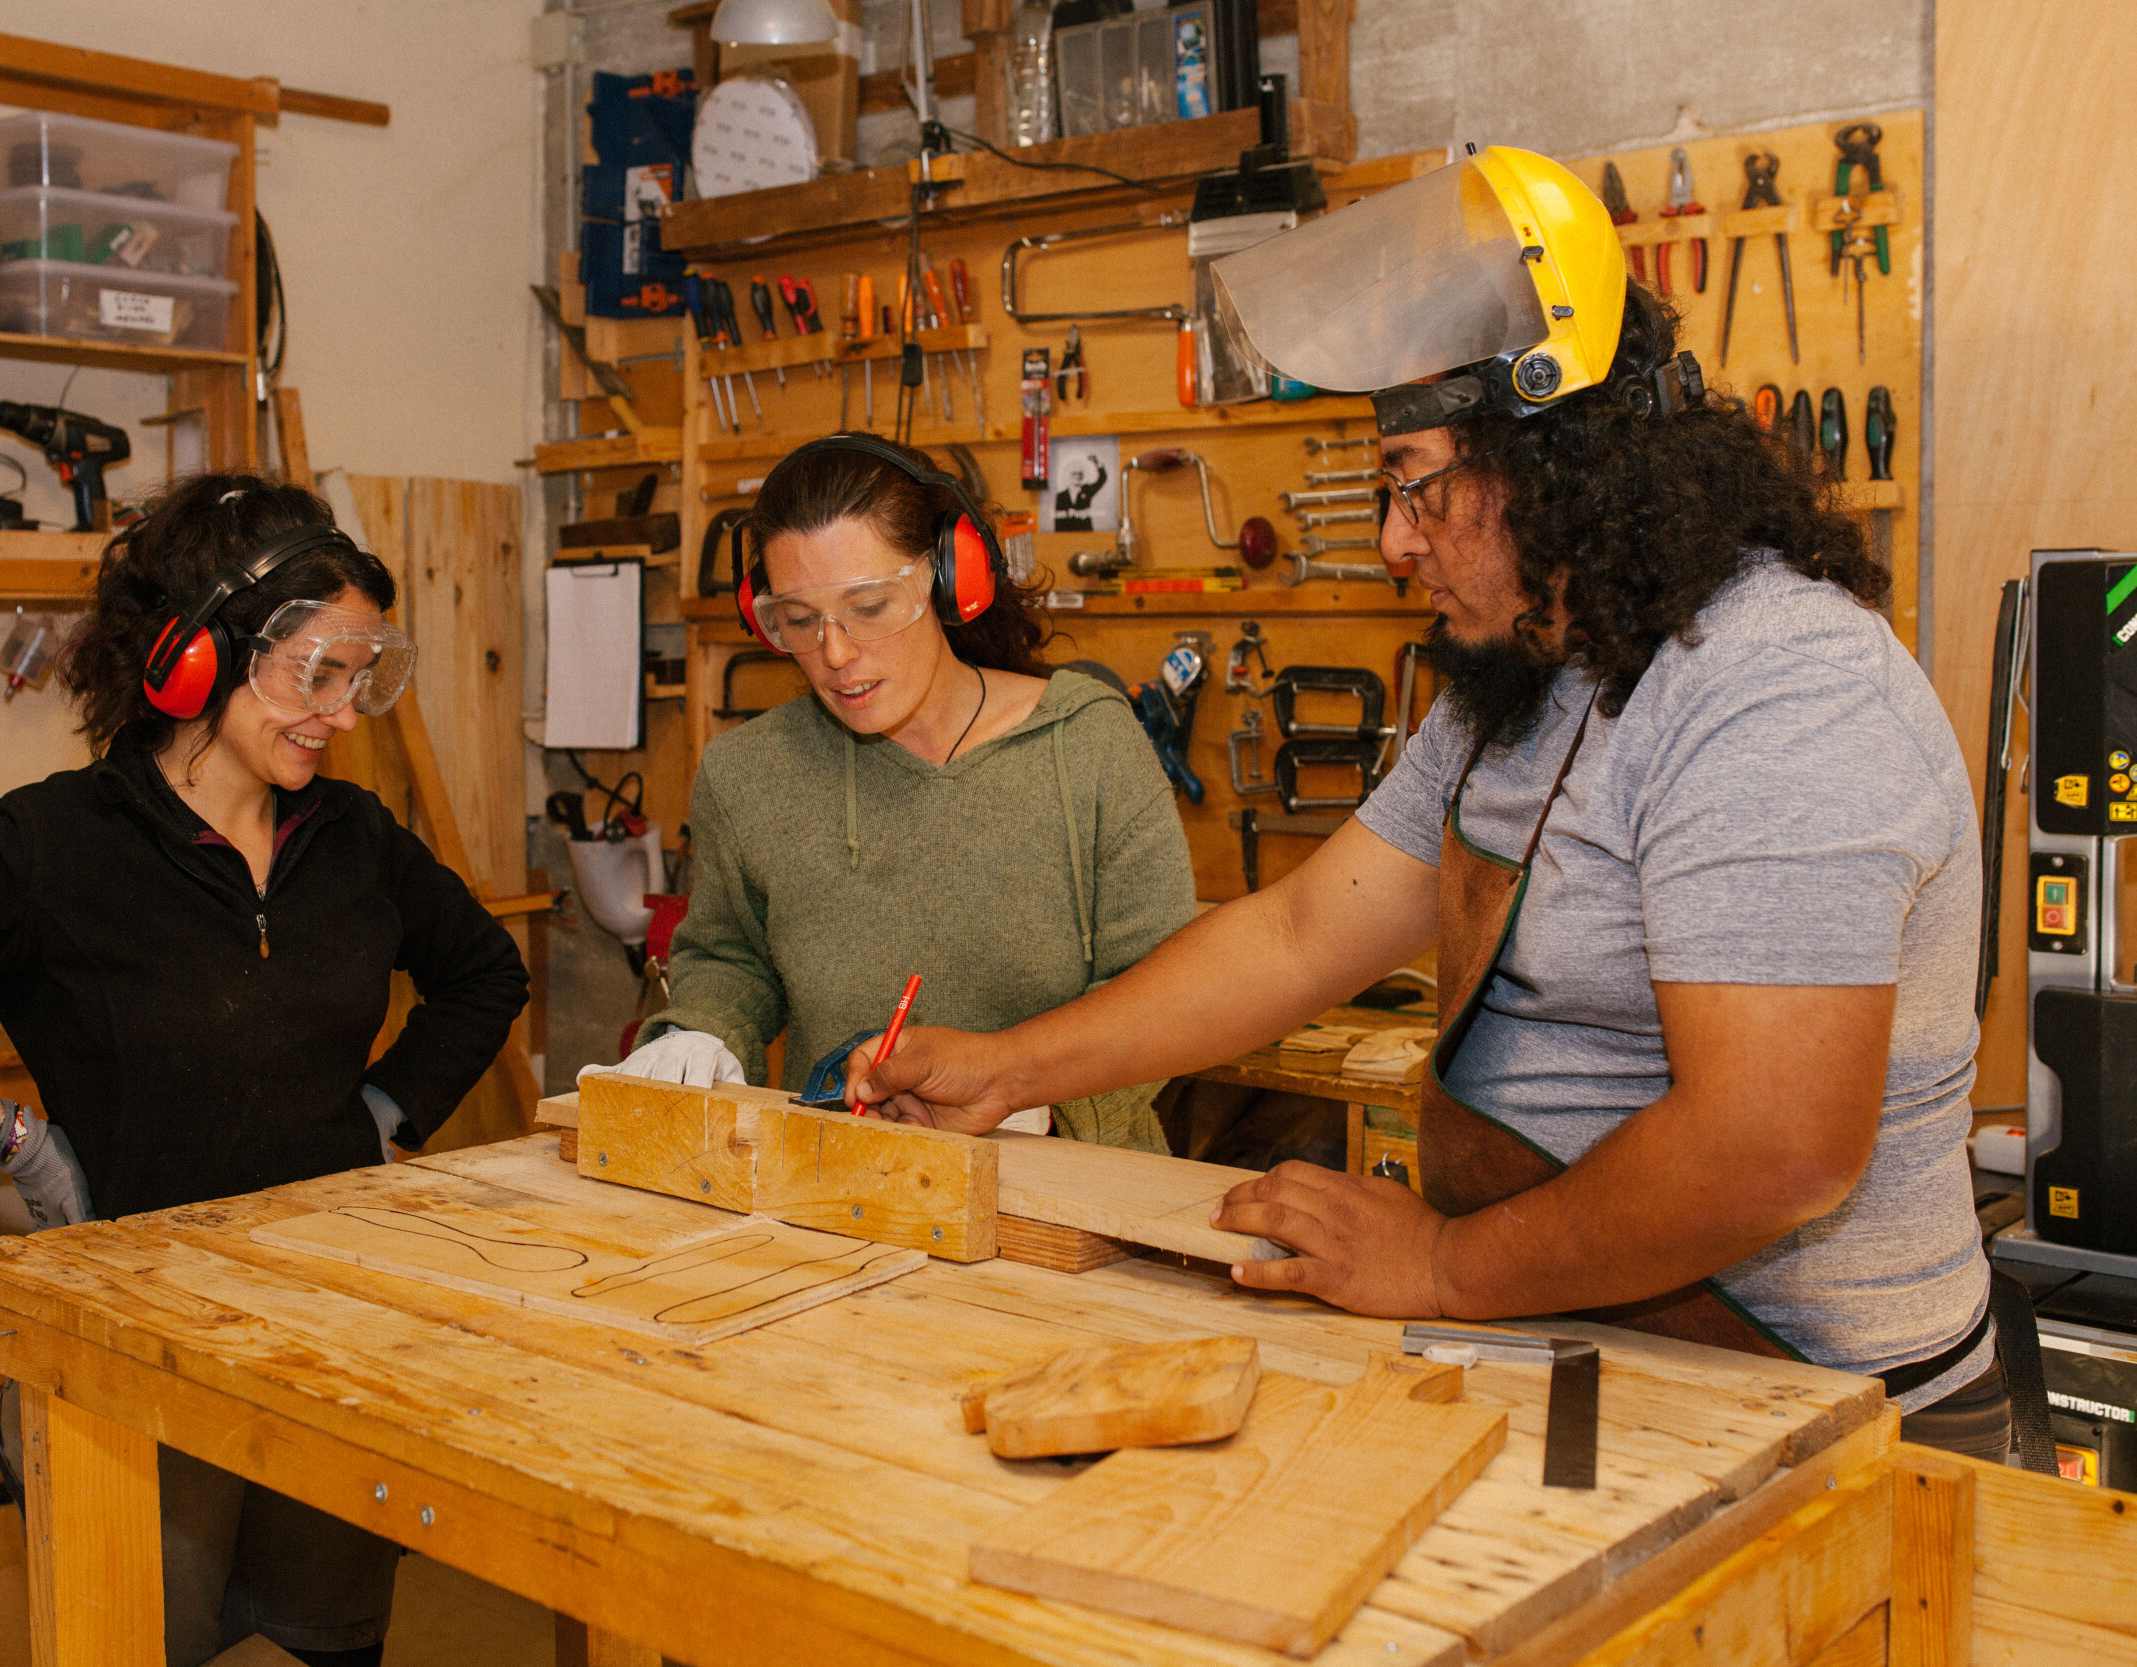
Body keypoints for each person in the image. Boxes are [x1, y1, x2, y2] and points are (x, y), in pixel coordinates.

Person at [849, 149, 2029, 1462]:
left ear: (1554, 457)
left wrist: (1448, 1265)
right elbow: (1302, 932)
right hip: (1596, 1346)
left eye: (1417, 482)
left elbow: (1772, 1148)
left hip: (1835, 1414)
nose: (1399, 538)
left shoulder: (1778, 685)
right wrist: (1009, 1065)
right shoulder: (1533, 667)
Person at [0, 474, 531, 1666]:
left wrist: (386, 1109)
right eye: (313, 670)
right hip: (130, 1340)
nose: (341, 710)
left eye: (359, 675)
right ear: (195, 659)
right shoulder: (50, 844)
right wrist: (19, 1143)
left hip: (332, 1331)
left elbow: (484, 972)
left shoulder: (355, 838)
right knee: (137, 1633)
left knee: (330, 1637)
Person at [591, 434, 1195, 1150]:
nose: (836, 653)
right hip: (846, 1190)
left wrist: (1031, 1098)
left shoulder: (1087, 746)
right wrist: (703, 1033)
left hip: (1076, 1198)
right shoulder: (748, 774)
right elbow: (733, 960)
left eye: (870, 606)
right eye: (800, 619)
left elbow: (1171, 999)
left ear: (948, 578)